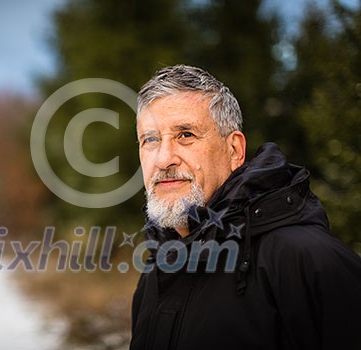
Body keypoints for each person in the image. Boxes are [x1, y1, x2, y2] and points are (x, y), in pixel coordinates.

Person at [130, 64, 361, 349]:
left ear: (234, 150)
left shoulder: (310, 260)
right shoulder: (157, 270)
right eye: (150, 139)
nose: (164, 159)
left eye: (186, 135)